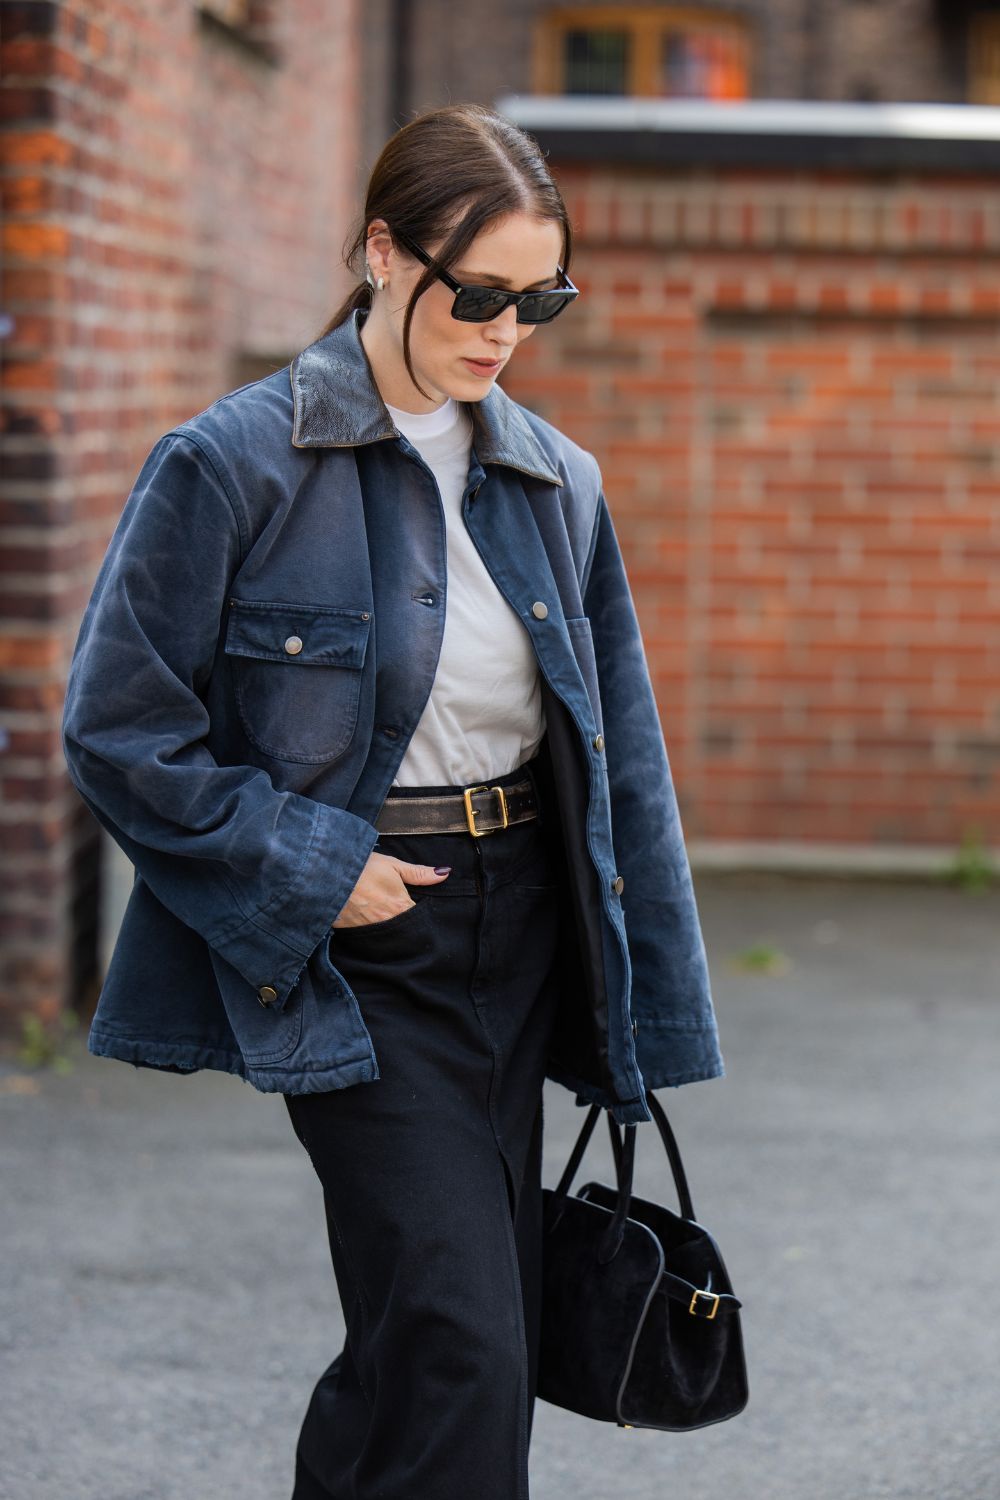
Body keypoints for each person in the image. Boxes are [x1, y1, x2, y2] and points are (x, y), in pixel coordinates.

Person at [61, 102, 725, 1499]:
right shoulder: (234, 467)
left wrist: (648, 1001)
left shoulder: (557, 482)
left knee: (435, 1338)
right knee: (461, 1337)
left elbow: (623, 764)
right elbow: (120, 728)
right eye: (476, 293)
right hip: (362, 949)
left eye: (538, 300)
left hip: (525, 931)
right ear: (382, 252)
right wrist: (305, 864)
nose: (504, 332)